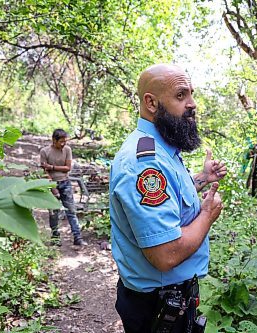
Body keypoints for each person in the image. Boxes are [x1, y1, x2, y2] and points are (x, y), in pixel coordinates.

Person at [109, 64, 227, 332]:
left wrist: (201, 178)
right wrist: (207, 215)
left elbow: (169, 198)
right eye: (180, 95)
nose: (192, 104)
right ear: (151, 102)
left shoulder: (163, 151)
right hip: (156, 307)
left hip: (172, 299)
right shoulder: (145, 164)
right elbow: (165, 254)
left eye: (191, 94)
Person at [40, 129, 87, 246]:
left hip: (65, 182)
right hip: (51, 183)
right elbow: (45, 172)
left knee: (71, 210)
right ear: (53, 140)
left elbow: (68, 167)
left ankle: (77, 237)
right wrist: (52, 187)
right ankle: (55, 237)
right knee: (53, 212)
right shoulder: (45, 151)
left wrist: (52, 166)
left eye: (64, 141)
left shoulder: (67, 150)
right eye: (60, 141)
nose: (63, 144)